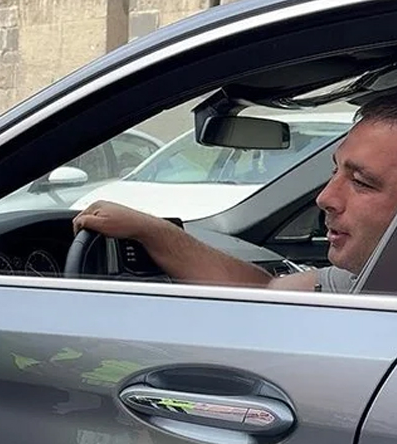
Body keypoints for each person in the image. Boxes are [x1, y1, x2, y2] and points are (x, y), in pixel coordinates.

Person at [73, 92, 397, 293]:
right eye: (334, 170)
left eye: (362, 182)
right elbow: (265, 290)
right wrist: (151, 230)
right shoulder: (364, 281)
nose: (325, 198)